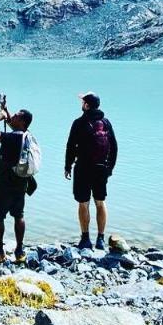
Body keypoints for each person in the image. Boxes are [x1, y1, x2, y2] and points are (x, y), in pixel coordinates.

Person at [64, 92, 117, 250]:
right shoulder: (106, 122)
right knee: (100, 202)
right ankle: (100, 238)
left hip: (83, 168)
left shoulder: (79, 123)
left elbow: (70, 146)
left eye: (83, 102)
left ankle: (85, 238)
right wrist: (110, 168)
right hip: (101, 168)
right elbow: (114, 146)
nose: (82, 104)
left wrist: (67, 166)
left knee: (83, 203)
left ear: (86, 105)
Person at [0, 103, 34, 263]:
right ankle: (19, 251)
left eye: (17, 116)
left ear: (22, 122)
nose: (13, 117)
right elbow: (12, 123)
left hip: (4, 184)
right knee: (18, 215)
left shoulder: (12, 137)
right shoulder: (25, 135)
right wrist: (5, 109)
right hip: (20, 183)